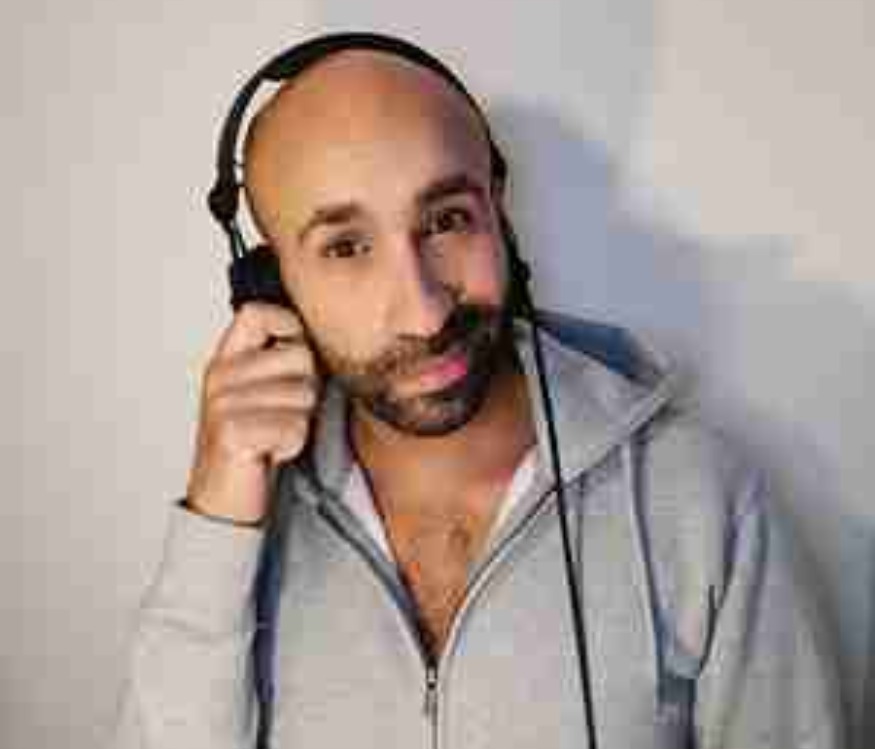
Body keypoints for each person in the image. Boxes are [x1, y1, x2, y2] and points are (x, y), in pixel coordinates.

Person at [112, 33, 845, 748]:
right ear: (271, 285)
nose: (424, 311)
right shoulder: (238, 523)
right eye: (346, 247)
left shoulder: (699, 500)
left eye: (446, 221)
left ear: (499, 213)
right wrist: (217, 522)